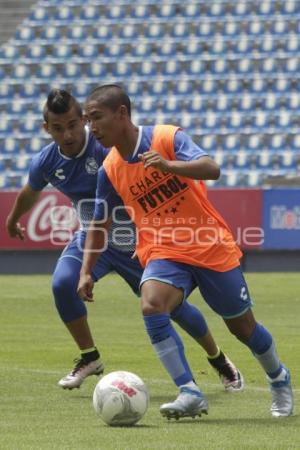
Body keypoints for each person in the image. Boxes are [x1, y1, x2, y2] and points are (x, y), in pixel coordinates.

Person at [6, 88, 244, 392]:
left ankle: (218, 358)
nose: (67, 134)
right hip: (94, 238)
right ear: (46, 128)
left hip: (136, 241)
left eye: (73, 125)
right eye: (57, 128)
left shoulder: (108, 147)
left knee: (172, 307)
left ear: (84, 121)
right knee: (62, 283)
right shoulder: (47, 161)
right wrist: (13, 219)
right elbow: (30, 190)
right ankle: (89, 357)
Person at [79, 84, 293, 419]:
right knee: (151, 304)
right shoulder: (110, 168)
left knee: (243, 328)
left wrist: (168, 166)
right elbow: (99, 221)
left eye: (96, 118)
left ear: (121, 114)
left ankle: (278, 377)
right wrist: (86, 270)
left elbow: (212, 168)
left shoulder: (167, 137)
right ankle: (190, 391)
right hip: (163, 249)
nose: (92, 128)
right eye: (88, 120)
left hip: (208, 244)